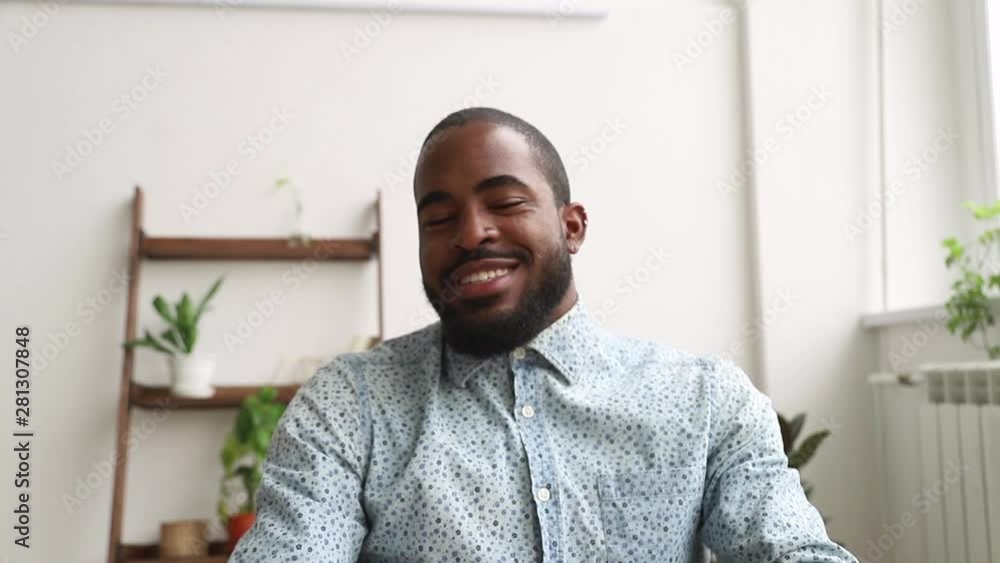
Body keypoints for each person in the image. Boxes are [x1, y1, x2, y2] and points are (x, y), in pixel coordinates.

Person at [231, 107, 858, 563]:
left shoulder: (706, 401)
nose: (470, 233)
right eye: (440, 217)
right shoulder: (350, 403)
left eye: (504, 203)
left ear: (573, 227)